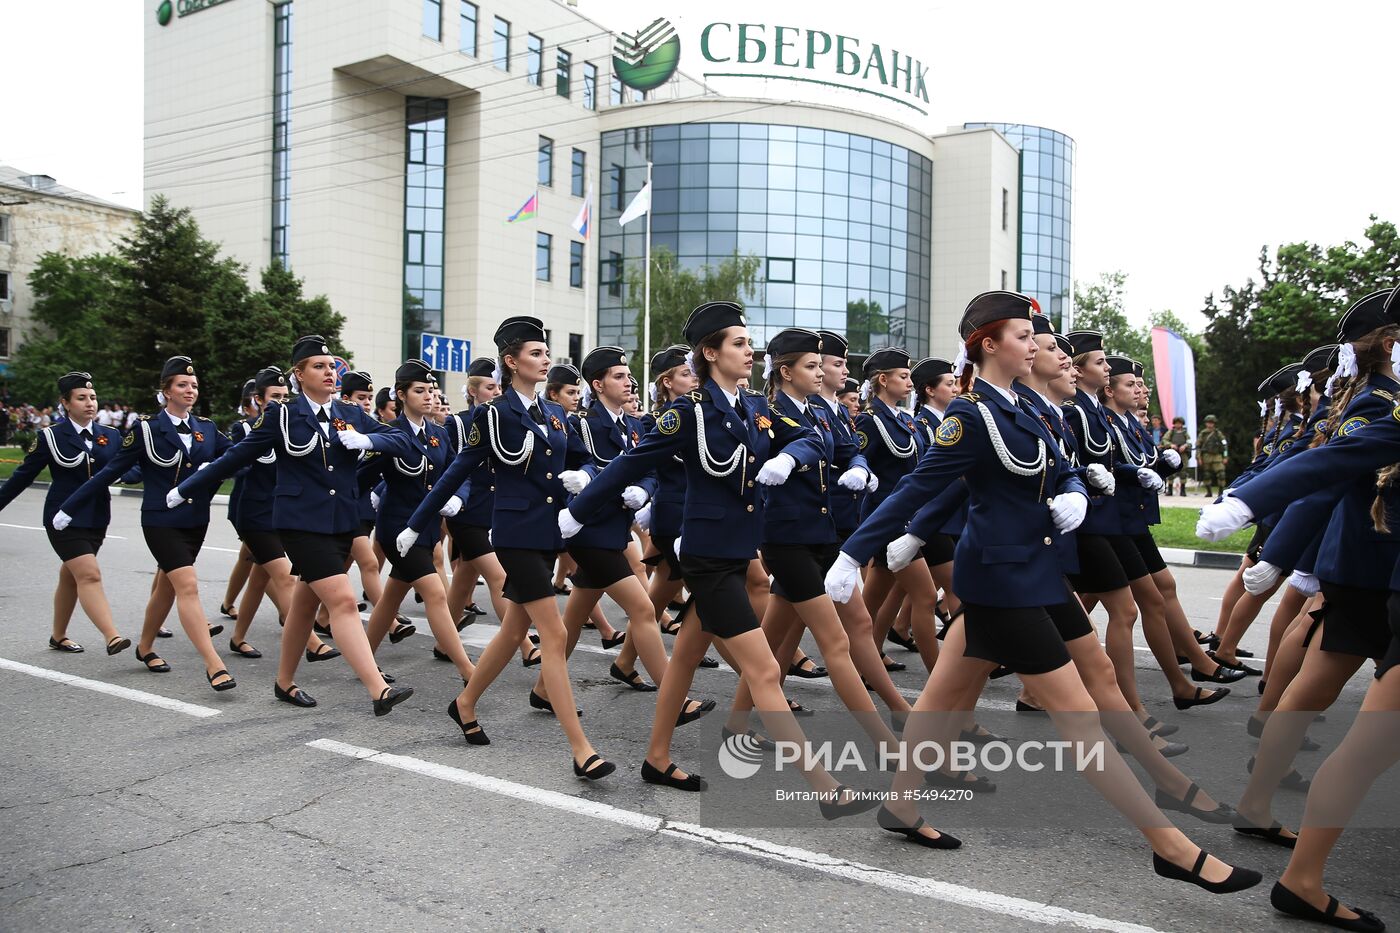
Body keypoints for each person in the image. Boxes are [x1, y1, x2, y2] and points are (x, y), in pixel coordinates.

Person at [825, 291, 1260, 890]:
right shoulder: (971, 417)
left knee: (943, 697)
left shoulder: (1025, 408)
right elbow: (921, 488)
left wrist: (1075, 489)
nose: (1035, 345)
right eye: (1024, 336)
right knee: (1079, 718)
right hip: (1002, 584)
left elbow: (1058, 466)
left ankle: (900, 805)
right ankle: (1171, 847)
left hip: (1038, 572)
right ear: (988, 345)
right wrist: (855, 551)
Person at [558, 301, 880, 820]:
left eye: (749, 342)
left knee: (684, 658)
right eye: (738, 343)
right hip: (708, 558)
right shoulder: (687, 413)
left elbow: (812, 438)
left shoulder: (754, 406)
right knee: (765, 672)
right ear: (710, 352)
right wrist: (578, 510)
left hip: (737, 551)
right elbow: (631, 463)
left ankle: (657, 758)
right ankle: (825, 786)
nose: (749, 350)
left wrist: (786, 456)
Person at [397, 316, 614, 779]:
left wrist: (588, 476)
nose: (545, 360)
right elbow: (456, 471)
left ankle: (465, 701)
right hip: (514, 535)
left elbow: (586, 461)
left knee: (514, 629)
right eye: (535, 354)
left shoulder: (556, 414)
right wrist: (418, 524)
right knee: (552, 636)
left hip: (550, 537)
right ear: (511, 362)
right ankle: (581, 749)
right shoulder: (492, 415)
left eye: (545, 353)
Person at [167, 336, 419, 714]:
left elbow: (400, 439)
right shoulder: (283, 416)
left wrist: (367, 438)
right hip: (300, 523)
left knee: (303, 605)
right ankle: (377, 689)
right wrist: (186, 488)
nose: (329, 373)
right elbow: (237, 456)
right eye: (319, 367)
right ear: (299, 374)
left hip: (341, 522)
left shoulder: (350, 414)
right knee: (344, 601)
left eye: (332, 366)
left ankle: (284, 682)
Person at [549, 346, 712, 720]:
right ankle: (674, 698)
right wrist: (585, 478)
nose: (628, 382)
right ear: (598, 384)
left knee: (573, 618)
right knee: (641, 608)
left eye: (628, 376)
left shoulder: (634, 426)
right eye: (619, 377)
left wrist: (646, 491)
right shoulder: (583, 426)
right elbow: (571, 470)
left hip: (616, 529)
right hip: (589, 531)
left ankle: (544, 689)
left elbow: (651, 469)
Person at [56, 357, 237, 691]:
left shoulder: (208, 429)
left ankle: (146, 646)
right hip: (161, 520)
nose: (190, 390)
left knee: (168, 586)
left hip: (196, 521)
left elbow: (238, 461)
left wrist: (213, 471)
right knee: (187, 585)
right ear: (166, 390)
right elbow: (110, 472)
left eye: (194, 385)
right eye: (182, 385)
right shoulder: (146, 429)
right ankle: (214, 665)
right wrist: (70, 506)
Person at [0, 372, 130, 656]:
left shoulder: (111, 436)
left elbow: (130, 467)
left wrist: (125, 477)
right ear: (66, 403)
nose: (89, 403)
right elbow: (21, 477)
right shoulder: (50, 437)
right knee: (89, 574)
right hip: (63, 519)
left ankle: (58, 636)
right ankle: (112, 635)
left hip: (97, 517)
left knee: (71, 576)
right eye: (81, 398)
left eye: (92, 398)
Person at [361, 360, 476, 684]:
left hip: (427, 532)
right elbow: (359, 478)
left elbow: (459, 472)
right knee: (435, 594)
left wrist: (459, 497)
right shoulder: (389, 435)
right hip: (397, 530)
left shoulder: (438, 434)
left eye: (431, 390)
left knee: (392, 596)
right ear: (401, 394)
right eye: (419, 390)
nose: (429, 396)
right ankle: (467, 669)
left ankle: (364, 658)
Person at [224, 366, 338, 664]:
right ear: (258, 400)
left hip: (278, 513)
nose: (280, 402)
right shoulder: (246, 429)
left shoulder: (294, 424)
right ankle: (312, 642)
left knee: (260, 578)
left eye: (284, 396)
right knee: (285, 578)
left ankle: (237, 637)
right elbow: (235, 461)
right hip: (252, 514)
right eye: (274, 397)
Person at [1197, 416, 1228, 498]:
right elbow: (1198, 446)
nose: (1210, 424)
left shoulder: (1218, 433)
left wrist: (1225, 456)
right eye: (1208, 422)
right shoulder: (1203, 433)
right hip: (1206, 456)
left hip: (1217, 456)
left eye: (1211, 422)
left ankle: (1221, 491)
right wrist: (1199, 457)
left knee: (1221, 474)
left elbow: (1224, 445)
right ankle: (1209, 492)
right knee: (1206, 475)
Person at [1163, 417, 1191, 496]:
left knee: (1183, 471)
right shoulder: (1171, 432)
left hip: (1183, 454)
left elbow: (1189, 442)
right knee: (1171, 471)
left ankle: (1183, 490)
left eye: (1180, 423)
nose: (1178, 425)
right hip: (1173, 453)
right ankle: (1170, 489)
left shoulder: (1185, 433)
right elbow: (1165, 440)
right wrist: (1171, 445)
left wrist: (1185, 446)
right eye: (1176, 423)